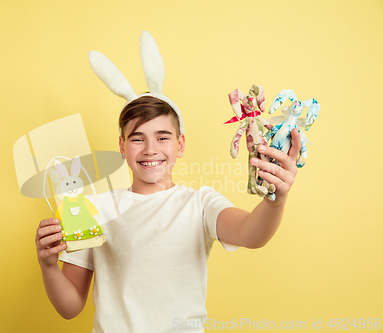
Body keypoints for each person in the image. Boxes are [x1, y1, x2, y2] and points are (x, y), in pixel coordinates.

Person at [35, 95, 300, 332]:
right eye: (137, 138)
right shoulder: (94, 209)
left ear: (180, 145)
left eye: (162, 137)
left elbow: (250, 234)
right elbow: (69, 308)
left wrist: (276, 202)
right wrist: (48, 266)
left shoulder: (200, 202)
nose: (150, 149)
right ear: (122, 146)